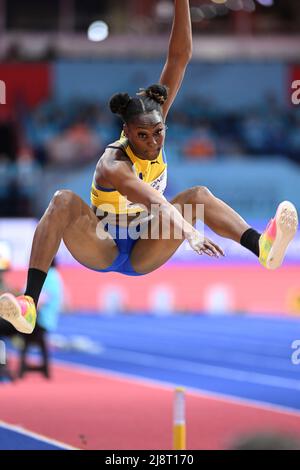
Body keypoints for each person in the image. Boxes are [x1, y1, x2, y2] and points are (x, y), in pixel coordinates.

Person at [0, 0, 298, 334]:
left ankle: (262, 246)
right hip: (103, 244)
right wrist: (190, 233)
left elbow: (180, 56)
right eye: (143, 136)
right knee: (63, 200)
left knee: (197, 195)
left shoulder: (154, 121)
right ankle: (29, 304)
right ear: (126, 132)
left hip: (146, 244)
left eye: (158, 133)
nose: (153, 142)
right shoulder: (114, 165)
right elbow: (155, 201)